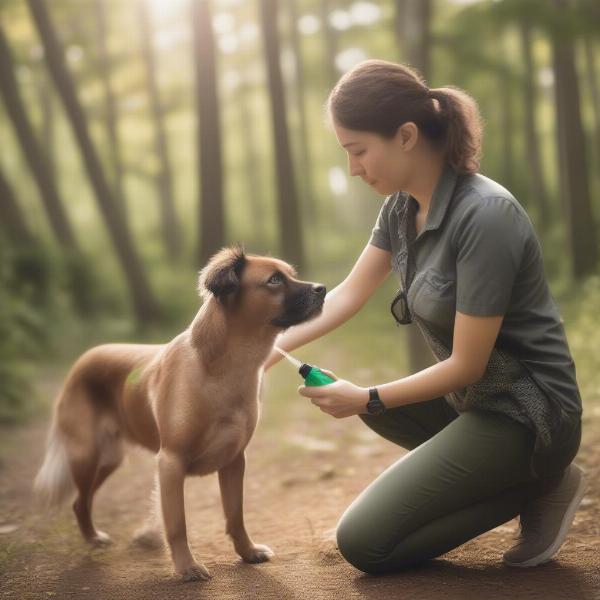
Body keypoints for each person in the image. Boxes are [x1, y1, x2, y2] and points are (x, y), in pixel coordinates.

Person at [264, 59, 586, 574]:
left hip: (527, 415)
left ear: (406, 135)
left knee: (364, 543)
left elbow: (466, 366)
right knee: (380, 408)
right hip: (474, 404)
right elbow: (348, 295)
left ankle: (542, 481)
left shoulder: (486, 216)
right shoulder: (399, 208)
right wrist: (261, 350)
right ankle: (522, 477)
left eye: (358, 151)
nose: (353, 168)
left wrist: (364, 398)